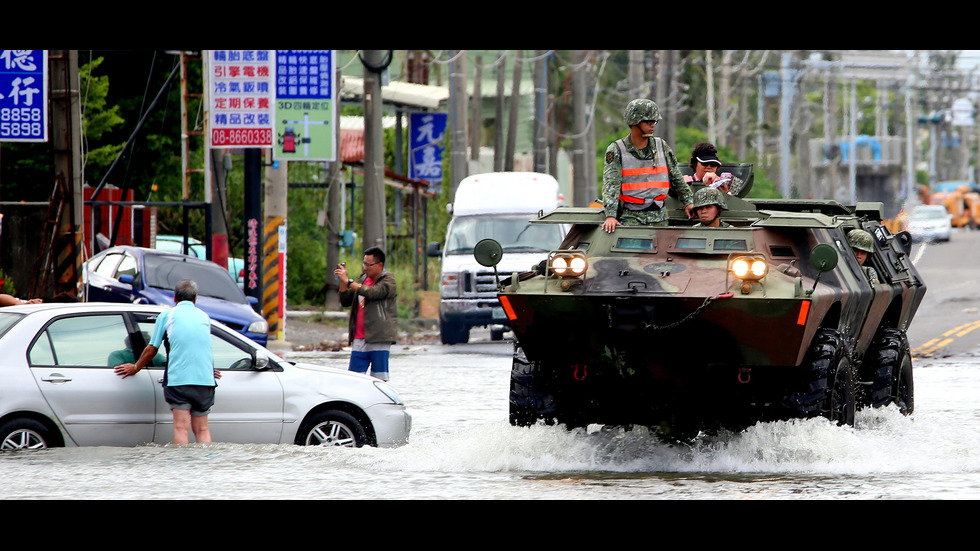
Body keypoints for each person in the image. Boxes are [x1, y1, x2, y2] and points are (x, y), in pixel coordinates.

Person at [113, 279, 221, 444]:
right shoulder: (204, 317)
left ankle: (182, 468)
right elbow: (199, 346)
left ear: (175, 298)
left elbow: (151, 349)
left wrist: (135, 367)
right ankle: (205, 466)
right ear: (196, 298)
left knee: (181, 429)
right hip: (205, 381)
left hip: (179, 381)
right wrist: (207, 370)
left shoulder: (167, 315)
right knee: (203, 430)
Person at [601, 98, 694, 233]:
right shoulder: (617, 150)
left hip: (660, 217)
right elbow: (611, 184)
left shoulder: (661, 146)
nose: (652, 125)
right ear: (634, 122)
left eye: (654, 121)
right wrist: (610, 215)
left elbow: (675, 176)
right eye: (648, 121)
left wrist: (688, 201)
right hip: (631, 219)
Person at [333, 247, 398, 381]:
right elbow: (345, 300)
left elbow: (373, 293)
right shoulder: (362, 279)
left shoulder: (388, 280)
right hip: (359, 337)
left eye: (369, 265)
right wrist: (342, 281)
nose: (365, 268)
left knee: (379, 380)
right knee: (354, 379)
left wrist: (349, 282)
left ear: (380, 265)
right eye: (364, 264)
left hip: (379, 336)